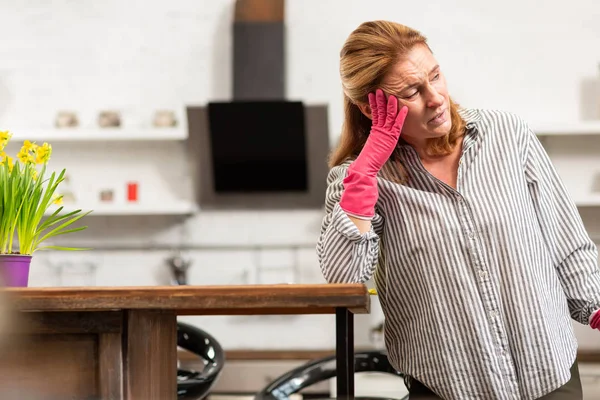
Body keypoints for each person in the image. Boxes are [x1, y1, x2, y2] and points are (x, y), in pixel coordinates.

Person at [316, 20, 600, 400]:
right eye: (412, 92)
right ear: (371, 108)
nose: (435, 98)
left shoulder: (507, 135)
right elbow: (344, 282)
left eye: (435, 76)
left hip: (549, 376)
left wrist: (595, 306)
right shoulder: (360, 179)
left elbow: (566, 240)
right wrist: (365, 171)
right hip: (448, 387)